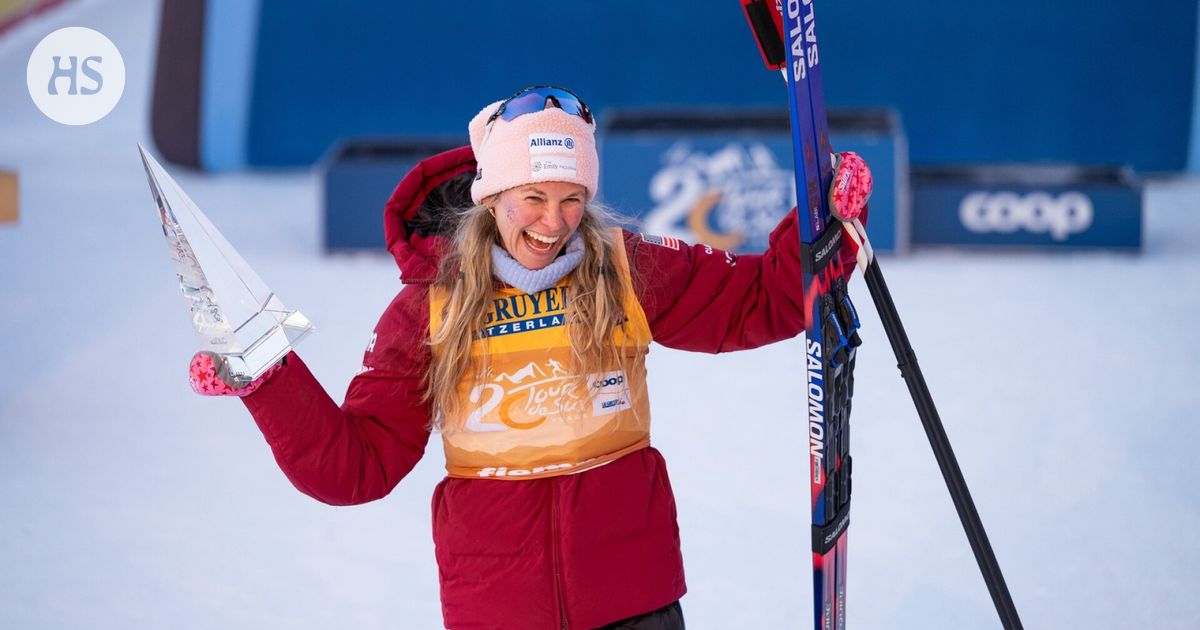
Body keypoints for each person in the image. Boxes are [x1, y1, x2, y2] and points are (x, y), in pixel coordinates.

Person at [188, 85, 872, 629]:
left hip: (634, 601)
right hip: (499, 612)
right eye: (534, 198)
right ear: (492, 197)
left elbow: (762, 300)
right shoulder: (430, 306)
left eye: (572, 199)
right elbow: (356, 465)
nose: (553, 221)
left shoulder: (625, 269)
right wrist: (268, 379)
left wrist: (823, 221)